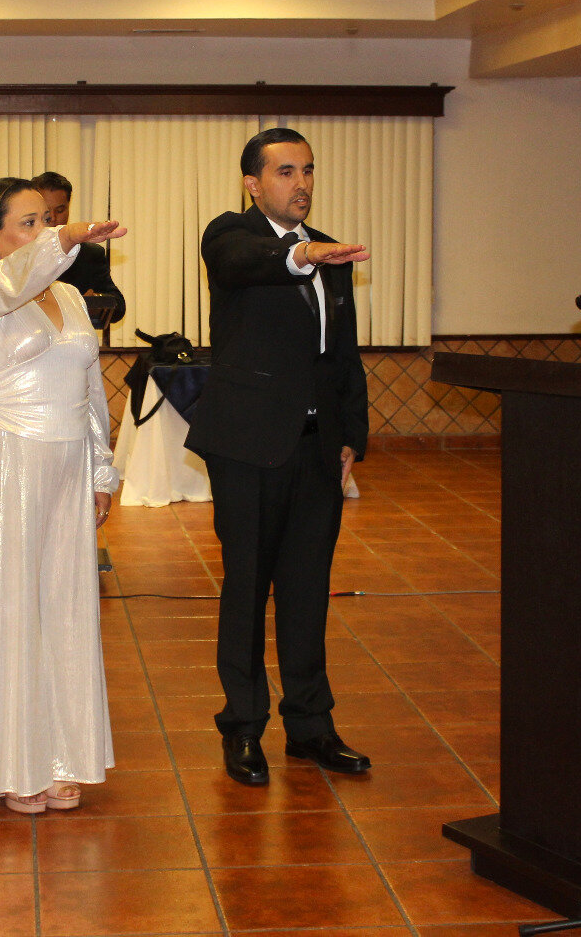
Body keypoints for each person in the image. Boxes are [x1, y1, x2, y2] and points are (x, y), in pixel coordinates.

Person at [185, 128, 371, 786]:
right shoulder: (230, 235)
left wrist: (351, 434)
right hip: (248, 446)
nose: (302, 183)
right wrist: (301, 254)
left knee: (307, 589)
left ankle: (311, 726)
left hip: (316, 447)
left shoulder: (331, 251)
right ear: (253, 183)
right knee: (247, 586)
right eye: (286, 171)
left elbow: (342, 353)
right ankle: (242, 725)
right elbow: (248, 261)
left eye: (308, 170)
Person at [0, 177, 124, 813]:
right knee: (13, 612)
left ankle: (62, 756)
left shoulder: (70, 295)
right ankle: (15, 764)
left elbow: (90, 392)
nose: (43, 232)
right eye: (28, 222)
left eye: (47, 220)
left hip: (70, 462)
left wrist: (101, 472)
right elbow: (11, 283)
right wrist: (65, 238)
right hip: (7, 460)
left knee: (68, 609)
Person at [33, 171, 126, 325]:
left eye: (60, 210)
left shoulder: (89, 254)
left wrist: (94, 300)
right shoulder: (21, 252)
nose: (54, 218)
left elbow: (118, 306)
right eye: (47, 211)